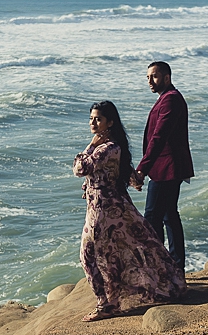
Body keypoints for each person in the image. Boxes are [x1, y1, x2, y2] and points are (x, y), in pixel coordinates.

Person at [73, 101, 187, 321]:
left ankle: (105, 304)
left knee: (89, 256)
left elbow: (80, 168)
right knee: (112, 254)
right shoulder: (113, 147)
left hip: (103, 210)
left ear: (110, 122)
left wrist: (89, 146)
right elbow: (126, 174)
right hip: (108, 208)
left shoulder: (107, 148)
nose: (93, 123)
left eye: (98, 119)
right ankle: (110, 302)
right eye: (91, 119)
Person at [134, 61, 194, 271]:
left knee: (152, 217)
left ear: (167, 77)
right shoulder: (168, 98)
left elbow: (159, 137)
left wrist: (142, 169)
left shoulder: (170, 100)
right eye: (148, 77)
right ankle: (175, 266)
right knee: (169, 215)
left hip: (167, 169)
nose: (150, 81)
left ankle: (159, 267)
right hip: (167, 167)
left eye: (155, 76)